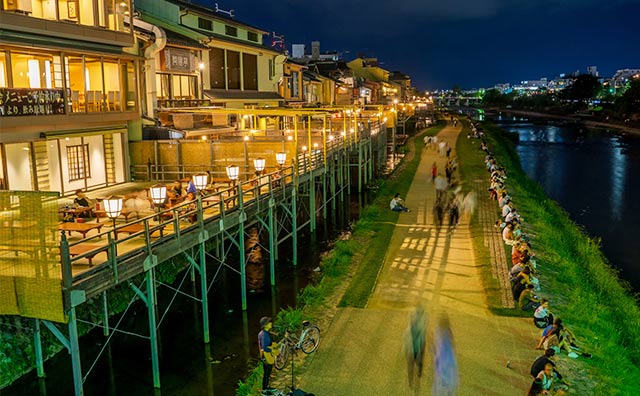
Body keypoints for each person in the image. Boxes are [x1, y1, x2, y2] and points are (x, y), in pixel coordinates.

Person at [404, 304, 427, 389]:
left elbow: (422, 338)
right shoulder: (408, 331)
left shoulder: (420, 327)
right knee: (410, 367)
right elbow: (406, 341)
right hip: (411, 351)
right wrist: (405, 351)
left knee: (418, 362)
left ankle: (419, 369)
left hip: (418, 349)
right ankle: (410, 381)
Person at [257, 317, 276, 394]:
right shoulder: (264, 335)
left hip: (265, 356)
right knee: (267, 373)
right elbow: (265, 348)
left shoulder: (264, 333)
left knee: (267, 373)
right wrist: (273, 350)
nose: (271, 323)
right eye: (269, 322)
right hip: (266, 356)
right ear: (265, 325)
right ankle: (264, 390)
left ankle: (267, 387)